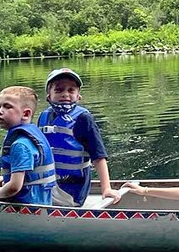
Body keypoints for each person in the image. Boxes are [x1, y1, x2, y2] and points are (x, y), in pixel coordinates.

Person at [37, 67, 120, 206]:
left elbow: (98, 155)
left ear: (78, 96)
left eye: (71, 90)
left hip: (72, 189)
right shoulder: (44, 116)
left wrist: (106, 189)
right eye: (59, 90)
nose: (65, 94)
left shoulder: (83, 118)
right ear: (48, 96)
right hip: (48, 182)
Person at [0, 86, 57, 205]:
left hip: (30, 207)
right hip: (41, 201)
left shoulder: (20, 145)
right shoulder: (27, 138)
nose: (0, 111)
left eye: (7, 106)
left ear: (25, 114)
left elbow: (14, 187)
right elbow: (26, 176)